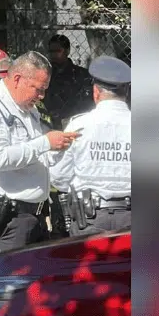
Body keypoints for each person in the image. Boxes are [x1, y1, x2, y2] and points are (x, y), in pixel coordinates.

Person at [0, 51, 81, 259]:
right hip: (7, 221)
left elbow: (36, 155)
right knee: (4, 288)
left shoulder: (28, 110)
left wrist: (57, 149)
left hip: (32, 217)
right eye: (38, 89)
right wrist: (45, 142)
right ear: (17, 79)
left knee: (34, 289)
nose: (41, 96)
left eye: (44, 90)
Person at [50, 56, 131, 235]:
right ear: (126, 92)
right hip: (131, 218)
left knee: (88, 264)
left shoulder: (79, 126)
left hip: (89, 217)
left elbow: (59, 177)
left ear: (96, 92)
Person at [43, 34, 94, 129]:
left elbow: (87, 103)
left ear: (67, 51)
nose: (54, 55)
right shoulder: (45, 74)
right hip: (48, 123)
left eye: (58, 51)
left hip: (75, 122)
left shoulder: (81, 75)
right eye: (51, 51)